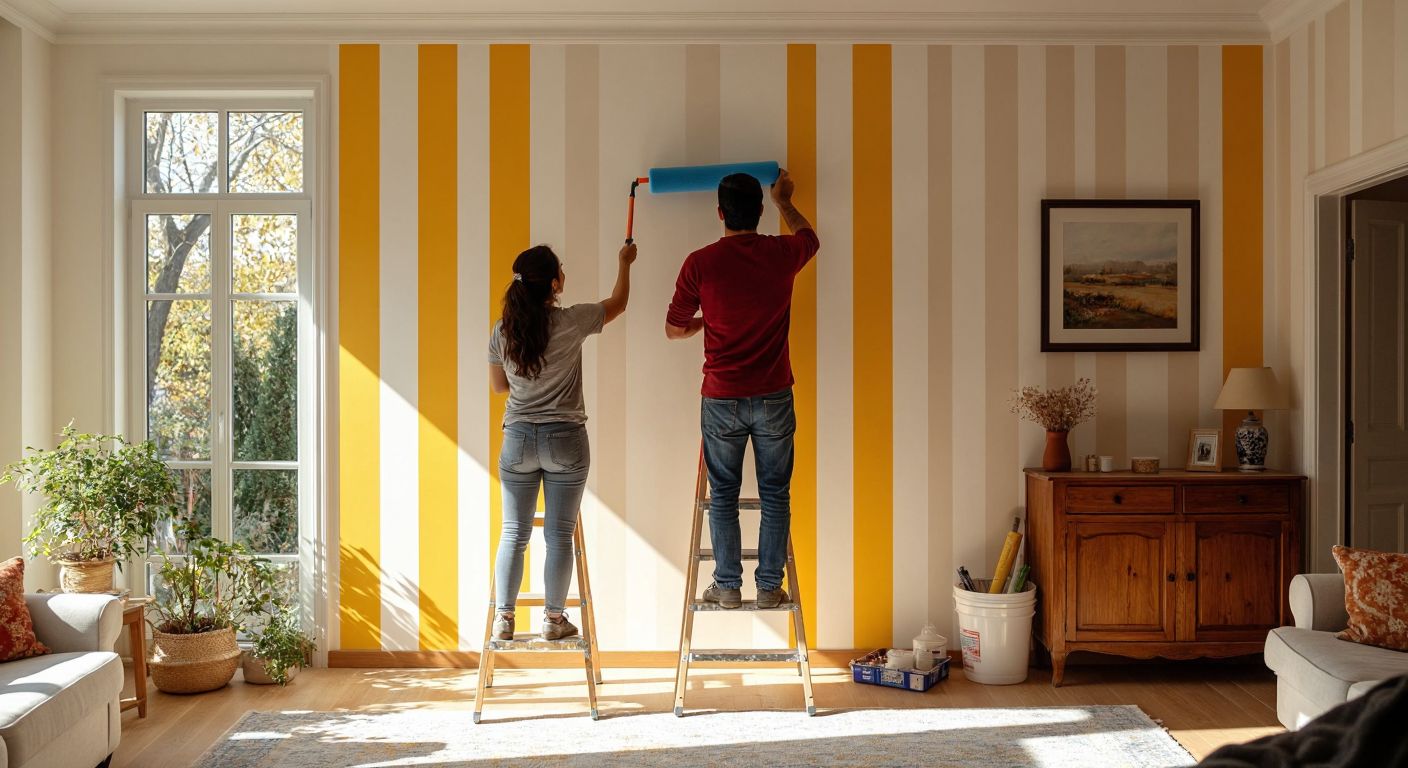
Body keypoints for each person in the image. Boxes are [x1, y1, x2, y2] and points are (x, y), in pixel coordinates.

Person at [664, 169, 819, 609]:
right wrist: (785, 200)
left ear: (719, 213)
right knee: (775, 493)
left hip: (721, 398)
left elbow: (674, 329)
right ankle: (770, 588)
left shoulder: (700, 263)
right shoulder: (781, 252)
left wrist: (704, 323)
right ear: (761, 211)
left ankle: (727, 586)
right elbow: (810, 237)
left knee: (724, 494)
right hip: (773, 395)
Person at [488, 241, 636, 640]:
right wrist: (623, 263)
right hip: (565, 441)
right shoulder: (572, 321)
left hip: (517, 440)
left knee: (513, 533)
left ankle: (504, 619)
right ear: (555, 283)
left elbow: (500, 386)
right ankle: (554, 620)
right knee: (558, 534)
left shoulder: (502, 331)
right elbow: (618, 303)